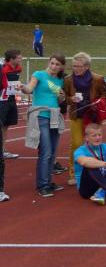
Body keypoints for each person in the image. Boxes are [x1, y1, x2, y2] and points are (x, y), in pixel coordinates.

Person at [20, 52, 67, 197]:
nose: (54, 66)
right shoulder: (39, 74)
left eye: (57, 64)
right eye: (52, 63)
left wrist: (62, 97)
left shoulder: (60, 80)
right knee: (45, 151)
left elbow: (58, 100)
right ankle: (43, 185)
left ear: (61, 67)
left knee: (52, 151)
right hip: (40, 116)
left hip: (54, 116)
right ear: (49, 62)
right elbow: (29, 88)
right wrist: (23, 87)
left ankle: (48, 181)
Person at [62, 52, 106, 186]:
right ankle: (73, 173)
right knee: (76, 143)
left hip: (93, 115)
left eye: (79, 66)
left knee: (94, 143)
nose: (76, 69)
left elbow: (105, 93)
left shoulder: (97, 79)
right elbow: (64, 97)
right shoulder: (68, 80)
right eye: (74, 66)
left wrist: (97, 102)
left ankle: (96, 170)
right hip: (77, 114)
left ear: (87, 66)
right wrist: (71, 99)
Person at [0, 49, 24, 202]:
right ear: (11, 59)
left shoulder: (18, 68)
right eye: (19, 57)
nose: (21, 59)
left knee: (7, 125)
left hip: (10, 99)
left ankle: (4, 149)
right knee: (1, 125)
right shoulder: (4, 69)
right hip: (2, 101)